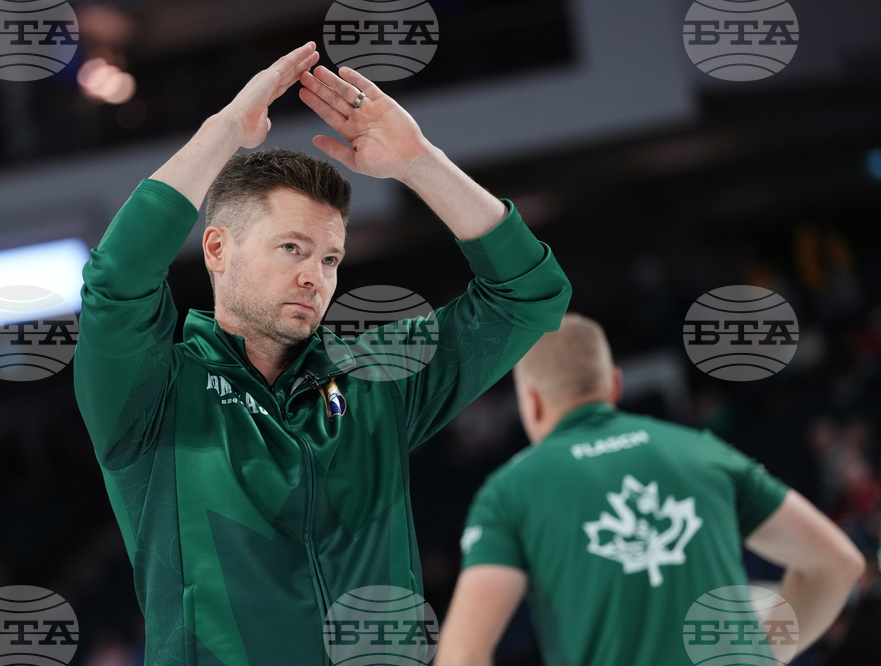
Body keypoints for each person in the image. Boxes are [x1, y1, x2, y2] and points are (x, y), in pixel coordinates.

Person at [73, 42, 572, 665]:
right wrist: (224, 130)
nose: (317, 276)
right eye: (292, 248)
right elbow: (116, 282)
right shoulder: (152, 400)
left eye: (330, 257)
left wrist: (421, 163)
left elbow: (529, 296)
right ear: (217, 249)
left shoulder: (377, 381)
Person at [436, 313, 866, 666]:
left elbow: (462, 652)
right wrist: (763, 652)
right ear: (616, 385)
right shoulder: (703, 452)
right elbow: (838, 563)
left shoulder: (510, 491)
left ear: (530, 402)